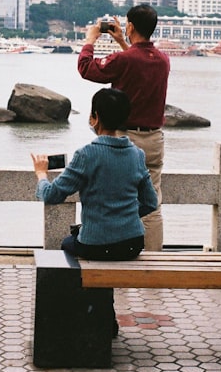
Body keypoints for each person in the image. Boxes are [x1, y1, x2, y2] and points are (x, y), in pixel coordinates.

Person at [77, 4, 170, 251]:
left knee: (113, 200)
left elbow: (86, 68)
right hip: (154, 140)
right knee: (152, 204)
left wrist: (90, 40)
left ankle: (113, 250)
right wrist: (122, 42)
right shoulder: (163, 60)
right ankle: (153, 261)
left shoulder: (124, 60)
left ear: (130, 26)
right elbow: (139, 63)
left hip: (125, 141)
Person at [31, 88, 156, 261]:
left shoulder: (86, 155)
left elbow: (51, 195)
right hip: (132, 244)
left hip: (96, 244)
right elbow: (151, 203)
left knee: (67, 244)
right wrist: (123, 218)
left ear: (95, 117)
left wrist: (41, 174)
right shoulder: (137, 154)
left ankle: (83, 288)